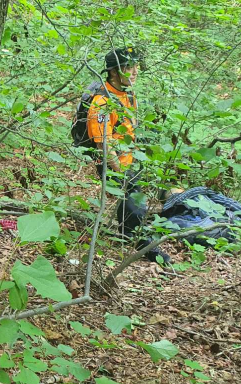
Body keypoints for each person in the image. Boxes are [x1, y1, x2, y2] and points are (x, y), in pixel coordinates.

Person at [74, 47, 170, 265]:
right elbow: (103, 147)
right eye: (128, 67)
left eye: (136, 66)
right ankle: (143, 244)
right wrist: (120, 172)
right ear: (114, 72)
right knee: (133, 197)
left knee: (131, 197)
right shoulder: (102, 102)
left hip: (130, 156)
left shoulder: (128, 93)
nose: (135, 71)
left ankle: (128, 232)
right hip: (113, 160)